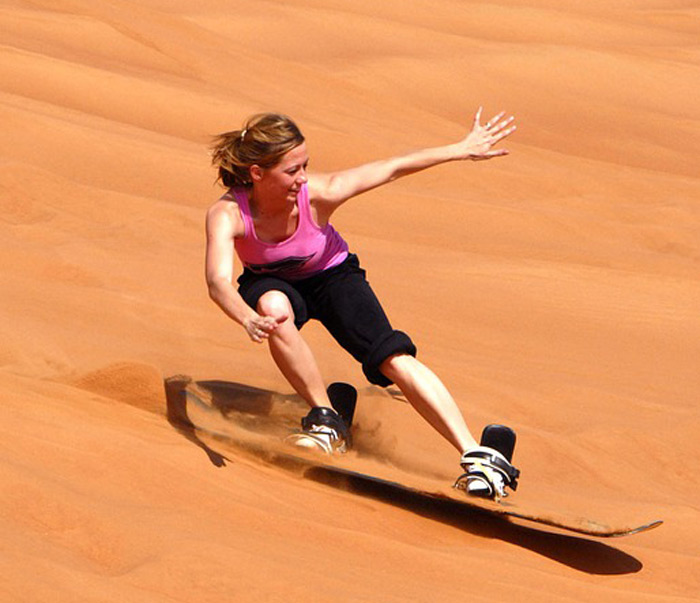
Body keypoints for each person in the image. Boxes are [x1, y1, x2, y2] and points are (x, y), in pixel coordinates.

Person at [205, 109, 520, 499]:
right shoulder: (228, 214)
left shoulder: (321, 194)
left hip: (334, 277)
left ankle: (477, 454)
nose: (302, 178)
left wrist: (460, 149)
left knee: (391, 356)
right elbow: (218, 281)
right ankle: (326, 418)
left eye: (305, 166)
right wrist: (246, 317)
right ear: (256, 173)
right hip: (270, 280)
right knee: (273, 308)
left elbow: (391, 168)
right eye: (292, 171)